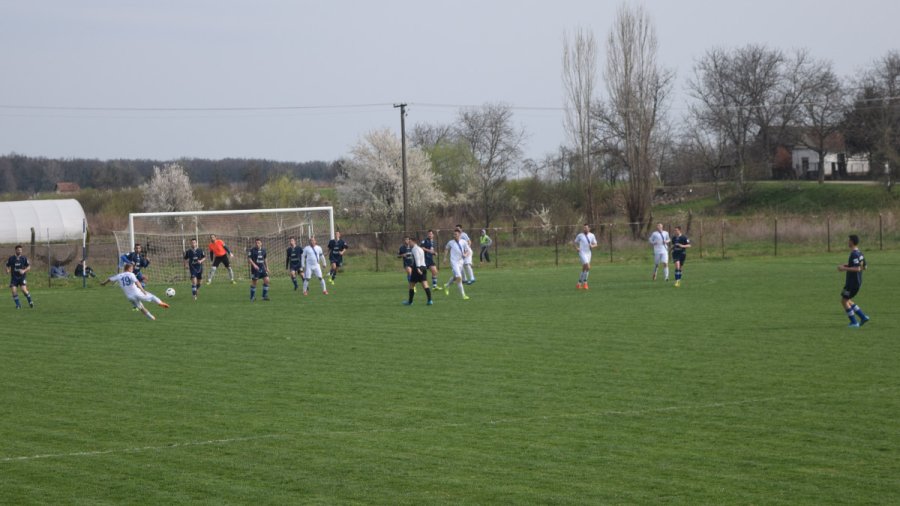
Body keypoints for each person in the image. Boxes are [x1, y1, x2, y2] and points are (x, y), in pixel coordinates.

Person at [100, 262, 169, 320]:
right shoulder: (131, 274)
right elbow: (137, 282)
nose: (132, 270)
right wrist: (142, 290)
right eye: (132, 268)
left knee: (141, 308)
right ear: (129, 268)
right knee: (152, 297)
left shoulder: (119, 275)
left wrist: (103, 283)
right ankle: (160, 302)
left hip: (130, 297)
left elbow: (110, 279)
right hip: (137, 293)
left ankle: (152, 318)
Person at [838, 234, 870, 328]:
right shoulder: (860, 253)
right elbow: (865, 267)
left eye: (849, 240)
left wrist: (844, 269)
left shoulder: (854, 254)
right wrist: (846, 265)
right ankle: (863, 317)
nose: (848, 242)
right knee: (847, 300)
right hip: (855, 282)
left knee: (844, 301)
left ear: (852, 242)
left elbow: (857, 269)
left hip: (852, 283)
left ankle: (854, 322)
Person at [402, 236, 433, 306]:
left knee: (411, 285)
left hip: (417, 268)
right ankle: (430, 300)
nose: (409, 243)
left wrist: (418, 268)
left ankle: (410, 302)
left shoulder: (414, 249)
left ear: (413, 242)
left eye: (410, 242)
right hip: (424, 267)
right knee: (425, 284)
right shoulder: (420, 249)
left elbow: (417, 259)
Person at [442, 228, 471, 300]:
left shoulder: (464, 242)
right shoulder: (450, 242)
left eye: (456, 234)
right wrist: (445, 258)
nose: (455, 236)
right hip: (454, 262)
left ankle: (447, 285)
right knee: (459, 278)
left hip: (461, 262)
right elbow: (446, 249)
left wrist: (465, 254)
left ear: (460, 235)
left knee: (455, 277)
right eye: (454, 234)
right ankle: (463, 295)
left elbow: (468, 251)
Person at [6, 245, 34, 309]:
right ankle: (18, 305)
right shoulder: (11, 258)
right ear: (15, 250)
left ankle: (30, 302)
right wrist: (7, 270)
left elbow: (29, 267)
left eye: (21, 250)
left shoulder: (24, 258)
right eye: (19, 250)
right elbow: (7, 265)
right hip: (14, 278)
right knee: (13, 291)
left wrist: (24, 270)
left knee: (24, 290)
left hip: (22, 277)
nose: (20, 251)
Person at [574, 224, 597, 290]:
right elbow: (575, 242)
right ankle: (585, 283)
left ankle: (579, 283)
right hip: (582, 252)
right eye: (584, 228)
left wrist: (592, 246)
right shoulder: (580, 235)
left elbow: (596, 244)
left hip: (589, 253)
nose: (585, 229)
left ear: (589, 229)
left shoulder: (592, 235)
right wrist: (577, 248)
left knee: (584, 268)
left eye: (586, 228)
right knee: (588, 266)